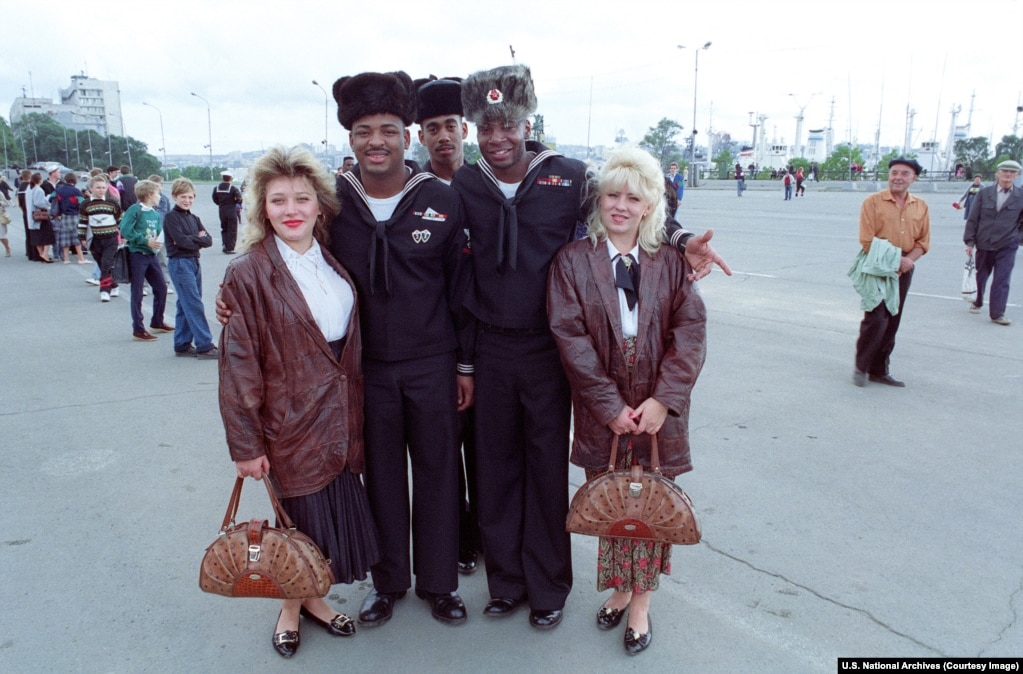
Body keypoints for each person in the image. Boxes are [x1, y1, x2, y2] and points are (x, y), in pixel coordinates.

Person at [453, 64, 728, 631]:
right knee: (495, 469)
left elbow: (632, 206)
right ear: (474, 131)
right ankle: (505, 583)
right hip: (492, 348)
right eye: (486, 128)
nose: (498, 137)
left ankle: (549, 587)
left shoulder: (569, 177)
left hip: (553, 354)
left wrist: (680, 240)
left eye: (509, 124)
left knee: (547, 470)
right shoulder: (465, 183)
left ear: (527, 123)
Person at [219, 146, 379, 659]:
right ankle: (291, 607)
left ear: (319, 206)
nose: (292, 209)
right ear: (262, 209)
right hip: (287, 423)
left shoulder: (333, 260)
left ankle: (313, 599)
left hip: (340, 419)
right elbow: (236, 367)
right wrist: (245, 445)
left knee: (326, 521)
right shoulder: (247, 274)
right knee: (296, 523)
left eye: (302, 198)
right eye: (279, 199)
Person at [547, 147, 706, 655]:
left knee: (654, 501)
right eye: (612, 194)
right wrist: (607, 405)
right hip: (604, 399)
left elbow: (691, 331)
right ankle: (619, 585)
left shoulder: (670, 261)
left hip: (658, 397)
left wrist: (665, 399)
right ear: (599, 200)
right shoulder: (572, 262)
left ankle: (640, 602)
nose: (620, 205)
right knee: (613, 498)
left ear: (649, 205)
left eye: (632, 197)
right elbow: (568, 335)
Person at [330, 71, 471, 628]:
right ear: (351, 140)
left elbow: (462, 290)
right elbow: (288, 261)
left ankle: (440, 584)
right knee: (382, 477)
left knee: (439, 472)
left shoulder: (439, 198)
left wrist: (464, 365)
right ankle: (386, 582)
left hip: (433, 364)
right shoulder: (333, 203)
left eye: (388, 129)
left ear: (406, 136)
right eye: (364, 131)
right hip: (367, 371)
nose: (377, 141)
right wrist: (234, 297)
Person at [414, 75, 481, 575]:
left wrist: (676, 237)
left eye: (451, 126)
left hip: (490, 341)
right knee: (444, 451)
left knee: (488, 450)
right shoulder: (414, 192)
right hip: (437, 345)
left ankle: (487, 535)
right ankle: (457, 540)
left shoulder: (485, 185)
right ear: (420, 135)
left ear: (465, 129)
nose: (443, 136)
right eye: (432, 127)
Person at [853, 158, 930, 387]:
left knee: (893, 319)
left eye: (904, 173)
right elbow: (867, 240)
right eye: (894, 172)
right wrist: (896, 261)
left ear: (913, 178)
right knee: (876, 317)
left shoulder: (921, 206)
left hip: (905, 266)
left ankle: (879, 369)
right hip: (877, 265)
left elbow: (923, 241)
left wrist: (907, 261)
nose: (898, 177)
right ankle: (861, 366)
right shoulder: (873, 202)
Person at [963, 159, 1023, 326]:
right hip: (984, 242)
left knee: (1002, 279)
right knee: (981, 276)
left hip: (1007, 244)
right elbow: (973, 218)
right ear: (998, 174)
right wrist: (970, 242)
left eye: (1012, 172)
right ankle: (978, 301)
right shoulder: (984, 193)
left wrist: (1017, 238)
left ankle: (997, 314)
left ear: (1017, 175)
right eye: (1004, 171)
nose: (1008, 175)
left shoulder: (1020, 196)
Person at [163, 178, 217, 358]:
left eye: (190, 197)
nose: (187, 200)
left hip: (193, 261)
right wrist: (196, 239)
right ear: (174, 197)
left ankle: (182, 343)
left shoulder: (194, 218)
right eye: (183, 197)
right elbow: (182, 241)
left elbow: (208, 240)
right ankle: (204, 344)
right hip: (180, 263)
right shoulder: (171, 217)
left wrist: (192, 240)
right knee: (193, 303)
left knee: (185, 303)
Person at [119, 180, 172, 341]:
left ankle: (157, 321)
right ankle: (138, 328)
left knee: (161, 288)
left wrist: (158, 242)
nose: (159, 197)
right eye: (157, 193)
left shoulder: (155, 213)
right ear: (149, 195)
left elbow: (157, 231)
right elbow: (125, 229)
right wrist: (144, 240)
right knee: (137, 291)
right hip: (137, 254)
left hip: (151, 254)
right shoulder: (135, 210)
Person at [79, 176, 123, 299]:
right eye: (98, 187)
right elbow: (83, 222)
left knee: (106, 263)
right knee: (101, 263)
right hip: (95, 239)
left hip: (111, 238)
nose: (101, 190)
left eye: (103, 187)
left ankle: (104, 290)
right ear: (91, 188)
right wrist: (82, 237)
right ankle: (113, 284)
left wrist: (123, 236)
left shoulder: (112, 202)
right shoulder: (86, 204)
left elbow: (120, 220)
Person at [54, 173, 87, 264]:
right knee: (76, 237)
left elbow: (50, 198)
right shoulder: (76, 191)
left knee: (65, 237)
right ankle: (80, 258)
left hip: (63, 216)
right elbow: (82, 203)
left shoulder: (59, 190)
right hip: (75, 215)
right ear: (74, 180)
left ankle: (66, 259)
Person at [212, 170, 242, 253]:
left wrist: (221, 203)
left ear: (222, 178)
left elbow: (215, 199)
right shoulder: (233, 189)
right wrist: (234, 202)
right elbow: (239, 199)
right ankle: (230, 248)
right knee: (232, 229)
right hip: (231, 211)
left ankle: (225, 245)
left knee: (224, 228)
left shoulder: (216, 188)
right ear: (231, 179)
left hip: (222, 211)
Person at [28, 174, 56, 263]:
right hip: (40, 216)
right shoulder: (39, 190)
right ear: (39, 180)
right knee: (48, 235)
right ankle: (45, 253)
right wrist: (48, 205)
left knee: (37, 237)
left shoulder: (30, 189)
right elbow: (39, 202)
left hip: (32, 216)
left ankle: (41, 254)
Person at [17, 169, 39, 261]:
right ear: (30, 177)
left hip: (25, 211)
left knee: (27, 232)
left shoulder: (20, 187)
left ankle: (29, 252)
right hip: (32, 211)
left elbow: (19, 203)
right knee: (34, 232)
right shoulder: (30, 187)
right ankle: (36, 253)